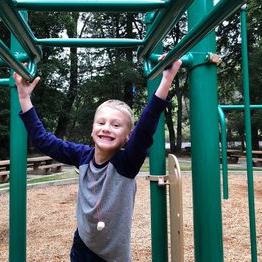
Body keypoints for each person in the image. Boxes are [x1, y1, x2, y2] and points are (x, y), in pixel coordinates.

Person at [14, 55, 182, 262]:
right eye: (101, 123)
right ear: (93, 128)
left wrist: (167, 79)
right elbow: (43, 140)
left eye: (116, 125)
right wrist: (24, 97)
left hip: (112, 257)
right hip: (82, 245)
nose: (106, 129)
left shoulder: (126, 163)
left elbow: (147, 124)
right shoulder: (82, 155)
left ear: (127, 137)